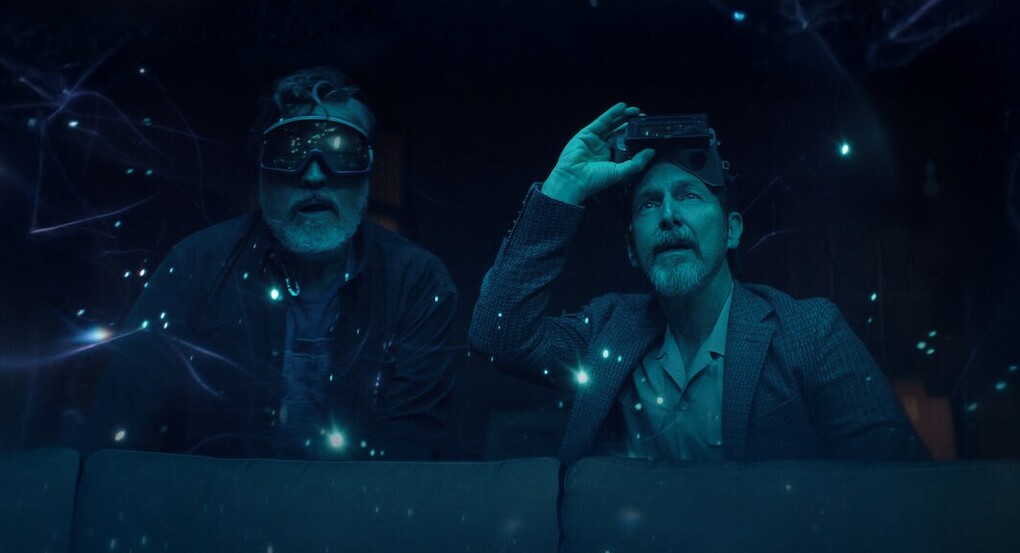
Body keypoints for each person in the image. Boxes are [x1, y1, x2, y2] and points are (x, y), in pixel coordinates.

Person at [469, 103, 929, 464]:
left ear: (732, 231)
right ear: (632, 248)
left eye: (689, 196)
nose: (669, 215)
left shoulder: (810, 332)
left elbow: (901, 483)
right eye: (649, 204)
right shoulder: (607, 331)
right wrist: (564, 186)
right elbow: (497, 334)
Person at [69, 67, 458, 460]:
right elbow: (116, 429)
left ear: (368, 170)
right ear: (260, 170)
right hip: (214, 500)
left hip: (360, 503)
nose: (314, 176)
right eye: (289, 152)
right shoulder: (195, 267)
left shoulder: (418, 284)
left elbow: (409, 458)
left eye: (341, 152)